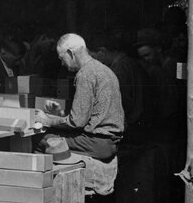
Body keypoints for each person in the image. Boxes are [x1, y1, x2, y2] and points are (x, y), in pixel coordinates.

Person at [34, 33, 124, 161]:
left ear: (70, 53)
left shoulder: (85, 74)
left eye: (62, 58)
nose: (62, 64)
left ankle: (51, 178)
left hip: (96, 143)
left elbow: (77, 121)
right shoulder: (105, 70)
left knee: (41, 139)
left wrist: (48, 120)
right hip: (110, 142)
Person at [89, 31, 145, 132]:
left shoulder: (118, 70)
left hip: (130, 126)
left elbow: (121, 103)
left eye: (93, 57)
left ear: (102, 51)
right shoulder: (131, 63)